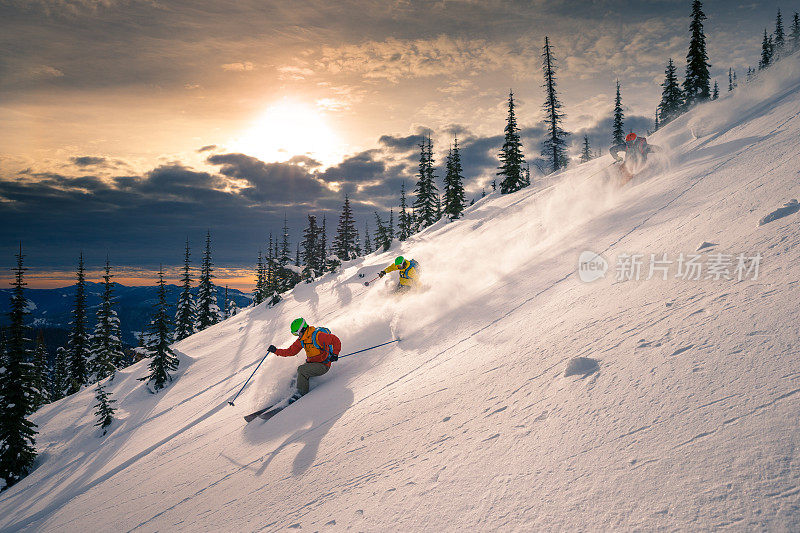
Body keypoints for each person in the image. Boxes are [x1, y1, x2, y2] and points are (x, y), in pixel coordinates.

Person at [268, 317, 341, 401]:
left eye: (296, 333)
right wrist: (276, 351)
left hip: (323, 365)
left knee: (302, 370)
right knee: (295, 375)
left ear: (302, 329)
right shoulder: (302, 340)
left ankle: (300, 394)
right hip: (312, 364)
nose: (297, 336)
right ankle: (290, 393)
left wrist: (335, 354)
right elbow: (291, 351)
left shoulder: (318, 336)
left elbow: (335, 340)